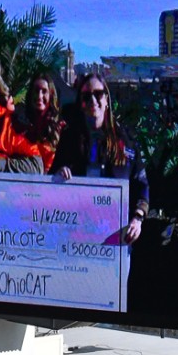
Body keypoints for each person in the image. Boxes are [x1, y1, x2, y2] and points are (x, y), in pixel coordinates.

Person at [53, 72, 150, 243]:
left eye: (98, 94)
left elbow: (141, 184)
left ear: (106, 99)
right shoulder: (68, 140)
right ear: (80, 103)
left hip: (115, 238)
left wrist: (138, 218)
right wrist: (59, 174)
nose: (93, 100)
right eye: (86, 96)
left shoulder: (126, 141)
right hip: (76, 237)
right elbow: (51, 184)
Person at [16, 73, 65, 172]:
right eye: (36, 91)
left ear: (51, 95)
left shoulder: (60, 127)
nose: (39, 96)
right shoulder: (20, 125)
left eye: (44, 91)